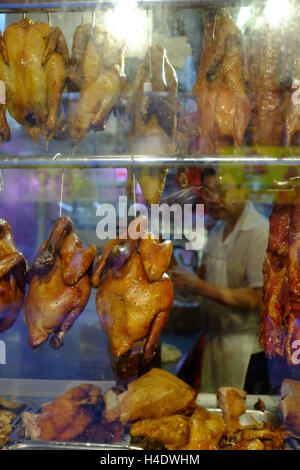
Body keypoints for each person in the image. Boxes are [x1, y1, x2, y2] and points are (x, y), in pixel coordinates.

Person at [171, 167, 270, 393]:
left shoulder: (259, 232)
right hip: (215, 345)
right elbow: (204, 280)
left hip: (246, 352)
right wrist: (184, 282)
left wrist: (199, 285)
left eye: (222, 191)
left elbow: (257, 299)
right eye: (208, 192)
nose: (214, 199)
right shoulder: (217, 230)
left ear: (243, 190)